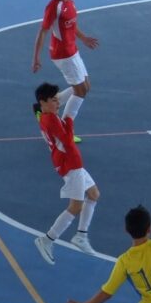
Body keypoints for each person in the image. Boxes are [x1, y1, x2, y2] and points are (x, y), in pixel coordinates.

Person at [33, 83, 100, 263]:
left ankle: (81, 235)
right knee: (76, 206)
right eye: (54, 100)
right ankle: (47, 239)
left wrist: (75, 86)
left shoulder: (47, 116)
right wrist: (70, 120)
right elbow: (68, 140)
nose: (58, 102)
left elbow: (62, 103)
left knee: (93, 194)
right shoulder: (52, 120)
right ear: (43, 102)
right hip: (70, 165)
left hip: (71, 163)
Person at [32, 0, 99, 130]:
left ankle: (43, 109)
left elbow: (71, 25)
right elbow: (42, 32)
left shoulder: (70, 0)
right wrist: (36, 58)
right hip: (62, 54)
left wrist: (83, 38)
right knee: (80, 91)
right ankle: (63, 130)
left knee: (86, 86)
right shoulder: (53, 7)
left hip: (73, 51)